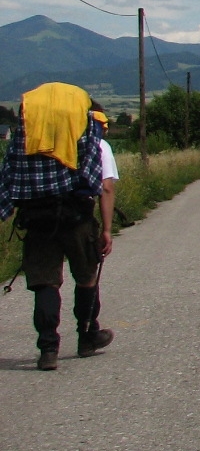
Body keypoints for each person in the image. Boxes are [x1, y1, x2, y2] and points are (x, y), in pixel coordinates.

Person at [0, 83, 114, 371]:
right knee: (86, 277)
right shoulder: (84, 133)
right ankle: (87, 336)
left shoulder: (24, 140)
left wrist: (7, 209)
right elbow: (95, 179)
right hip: (76, 218)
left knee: (45, 283)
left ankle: (48, 348)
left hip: (37, 219)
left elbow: (8, 177)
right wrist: (105, 227)